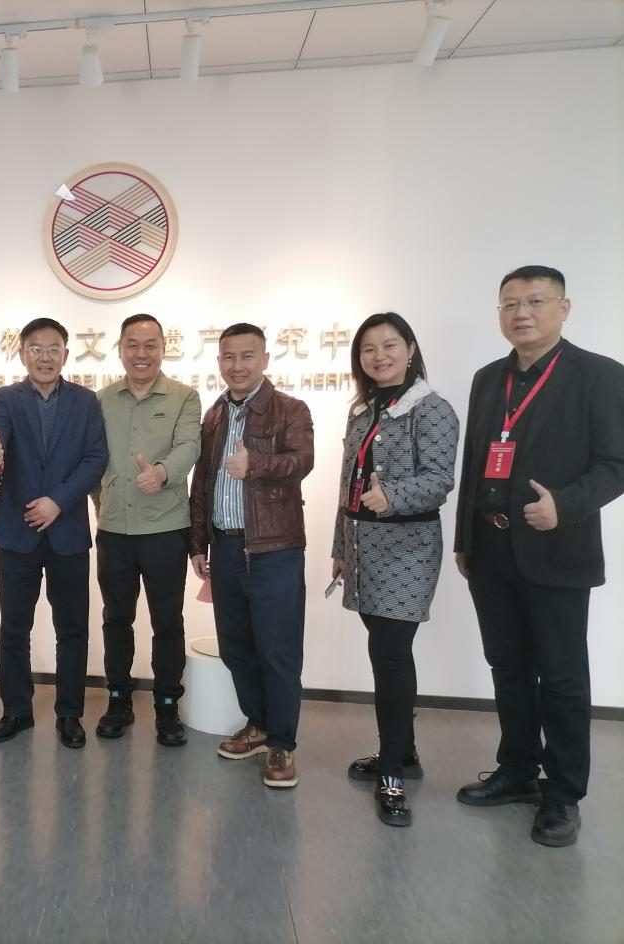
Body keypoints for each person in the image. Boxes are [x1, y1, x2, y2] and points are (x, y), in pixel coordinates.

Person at [453, 265, 624, 848]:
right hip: (491, 547)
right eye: (509, 304)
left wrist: (566, 505)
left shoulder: (599, 375)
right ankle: (518, 770)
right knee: (508, 666)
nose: (521, 313)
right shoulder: (488, 379)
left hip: (556, 547)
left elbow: (615, 464)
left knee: (563, 675)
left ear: (563, 308)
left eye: (534, 301)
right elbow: (476, 462)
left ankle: (564, 793)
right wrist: (465, 539)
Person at [330, 312, 459, 826]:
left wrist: (393, 495)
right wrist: (340, 546)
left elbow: (441, 478)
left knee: (390, 657)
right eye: (368, 349)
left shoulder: (432, 408)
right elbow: (348, 483)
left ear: (410, 349)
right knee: (386, 651)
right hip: (363, 546)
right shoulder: (363, 411)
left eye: (389, 345)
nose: (378, 356)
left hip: (408, 549)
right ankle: (404, 752)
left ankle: (391, 773)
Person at [188, 323, 314, 787]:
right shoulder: (215, 415)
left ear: (264, 359)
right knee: (236, 646)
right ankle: (258, 724)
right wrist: (198, 543)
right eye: (228, 356)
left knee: (278, 650)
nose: (237, 365)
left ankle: (282, 743)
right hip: (224, 547)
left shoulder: (290, 409)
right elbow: (202, 483)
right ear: (219, 361)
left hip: (274, 549)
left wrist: (254, 464)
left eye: (247, 356)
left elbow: (302, 461)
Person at [0, 317, 108, 749]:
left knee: (72, 628)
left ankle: (69, 713)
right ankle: (16, 711)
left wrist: (58, 501)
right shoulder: (4, 398)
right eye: (36, 348)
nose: (45, 357)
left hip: (66, 530)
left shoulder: (85, 401)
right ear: (22, 354)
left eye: (53, 348)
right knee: (14, 628)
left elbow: (95, 458)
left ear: (66, 354)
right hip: (18, 532)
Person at [92, 313, 200, 747]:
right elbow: (93, 458)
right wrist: (101, 504)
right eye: (133, 345)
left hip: (165, 529)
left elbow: (189, 445)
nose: (141, 353)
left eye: (150, 344)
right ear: (120, 349)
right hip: (114, 530)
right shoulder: (100, 400)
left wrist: (162, 472)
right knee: (116, 618)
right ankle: (118, 699)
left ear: (163, 348)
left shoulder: (184, 397)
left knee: (167, 621)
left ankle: (167, 704)